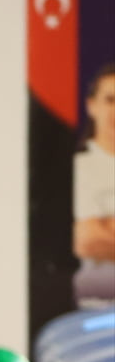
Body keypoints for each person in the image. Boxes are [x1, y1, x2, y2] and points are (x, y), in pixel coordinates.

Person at [72, 62, 115, 308]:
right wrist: (96, 232)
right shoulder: (79, 167)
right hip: (93, 308)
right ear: (92, 106)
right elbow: (85, 240)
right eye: (110, 100)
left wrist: (106, 225)